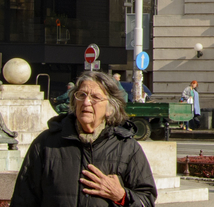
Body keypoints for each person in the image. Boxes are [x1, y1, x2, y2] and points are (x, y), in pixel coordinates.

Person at [10, 71, 158, 207]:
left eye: (95, 97)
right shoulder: (46, 143)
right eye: (82, 95)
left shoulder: (126, 147)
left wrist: (121, 195)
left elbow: (146, 200)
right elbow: (23, 199)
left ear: (110, 107)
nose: (86, 102)